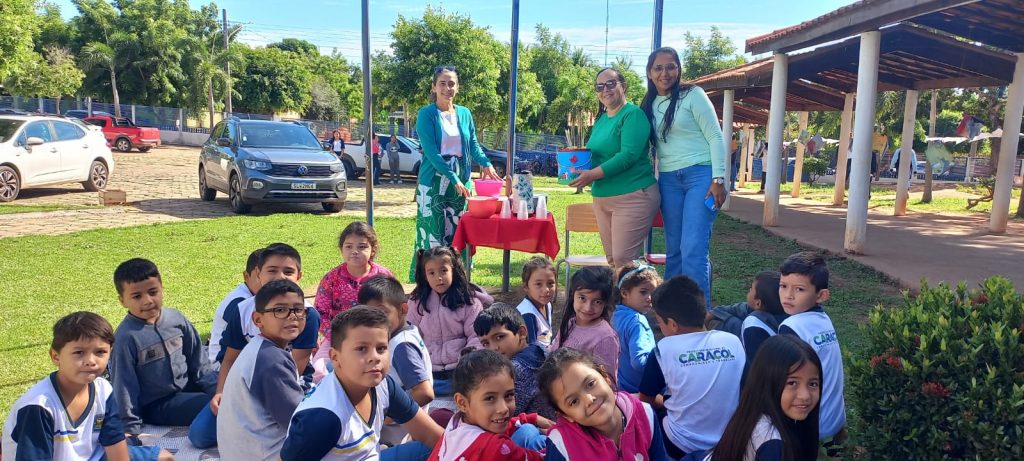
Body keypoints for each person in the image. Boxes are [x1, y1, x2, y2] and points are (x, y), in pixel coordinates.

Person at [2, 312, 171, 461]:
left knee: (164, 457)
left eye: (100, 352)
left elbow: (115, 449)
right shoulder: (39, 406)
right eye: (79, 352)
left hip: (94, 455)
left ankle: (131, 441)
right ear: (55, 356)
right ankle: (132, 441)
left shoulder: (103, 390)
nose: (91, 361)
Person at [280, 307, 443, 461]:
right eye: (362, 349)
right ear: (335, 357)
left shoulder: (383, 385)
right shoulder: (324, 418)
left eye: (381, 348)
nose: (375, 357)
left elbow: (433, 436)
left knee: (446, 444)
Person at [640, 47, 726, 309]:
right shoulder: (648, 104)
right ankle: (672, 312)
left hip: (701, 175)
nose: (665, 73)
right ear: (649, 73)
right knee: (674, 250)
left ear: (678, 69)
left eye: (671, 66)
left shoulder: (693, 95)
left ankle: (699, 316)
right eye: (658, 68)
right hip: (668, 179)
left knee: (693, 249)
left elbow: (715, 136)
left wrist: (719, 179)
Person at [108, 258, 218, 448]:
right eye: (137, 296)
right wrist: (129, 429)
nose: (148, 301)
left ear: (162, 289)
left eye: (153, 292)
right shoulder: (126, 338)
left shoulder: (176, 319)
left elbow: (198, 361)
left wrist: (217, 389)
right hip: (159, 404)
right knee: (212, 405)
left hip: (189, 387)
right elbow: (124, 386)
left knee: (234, 389)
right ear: (122, 301)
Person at [212, 244, 321, 427]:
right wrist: (221, 392)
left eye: (288, 271)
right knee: (201, 434)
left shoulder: (307, 316)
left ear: (299, 276)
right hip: (245, 384)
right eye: (272, 270)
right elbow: (230, 359)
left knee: (290, 428)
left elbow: (294, 371)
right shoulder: (242, 310)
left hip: (289, 385)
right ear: (258, 274)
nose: (280, 276)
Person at [410, 65, 501, 280]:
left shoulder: (465, 113)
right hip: (434, 181)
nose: (447, 88)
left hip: (461, 181)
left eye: (451, 83)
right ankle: (428, 285)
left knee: (459, 232)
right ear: (434, 87)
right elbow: (431, 153)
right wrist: (453, 178)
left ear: (457, 87)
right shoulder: (426, 115)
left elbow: (473, 145)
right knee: (433, 234)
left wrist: (486, 164)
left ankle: (458, 281)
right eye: (442, 83)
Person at [638, 276, 745, 459]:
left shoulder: (663, 350)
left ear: (672, 324)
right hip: (731, 440)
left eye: (659, 323)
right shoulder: (732, 341)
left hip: (679, 444)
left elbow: (645, 400)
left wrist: (665, 400)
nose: (660, 327)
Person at [570, 67, 659, 269]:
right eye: (600, 86)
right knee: (613, 261)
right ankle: (621, 300)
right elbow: (597, 154)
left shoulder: (633, 115)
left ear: (623, 86)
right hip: (602, 197)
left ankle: (640, 298)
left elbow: (628, 156)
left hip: (633, 195)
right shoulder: (602, 119)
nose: (605, 90)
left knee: (623, 260)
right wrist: (574, 166)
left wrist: (591, 174)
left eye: (611, 84)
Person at [217, 280, 309, 461]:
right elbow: (298, 422)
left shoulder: (262, 348)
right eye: (280, 310)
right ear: (258, 320)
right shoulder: (271, 360)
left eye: (298, 309)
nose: (292, 316)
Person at [701, 335, 822, 461]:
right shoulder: (773, 445)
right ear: (768, 382)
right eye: (792, 383)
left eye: (813, 384)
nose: (805, 396)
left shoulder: (755, 412)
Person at [538, 347, 669, 461]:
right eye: (574, 401)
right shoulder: (561, 445)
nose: (589, 399)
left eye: (590, 384)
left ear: (605, 376)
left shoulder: (645, 415)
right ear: (565, 415)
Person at [777, 252, 847, 445]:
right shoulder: (824, 320)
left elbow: (784, 380)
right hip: (835, 420)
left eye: (799, 289)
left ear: (821, 295)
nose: (788, 295)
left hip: (810, 425)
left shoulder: (792, 327)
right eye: (783, 286)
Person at [428, 349, 547, 461]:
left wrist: (529, 418)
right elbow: (548, 457)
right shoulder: (496, 447)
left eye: (509, 395)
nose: (503, 408)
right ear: (462, 403)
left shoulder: (455, 426)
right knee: (536, 437)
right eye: (490, 398)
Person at [357, 274, 435, 446]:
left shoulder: (402, 346)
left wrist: (390, 418)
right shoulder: (404, 332)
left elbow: (424, 393)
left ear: (403, 309)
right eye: (368, 313)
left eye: (382, 312)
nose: (374, 319)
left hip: (397, 437)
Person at [311, 222, 393, 382]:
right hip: (338, 337)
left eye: (362, 247)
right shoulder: (331, 278)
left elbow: (393, 308)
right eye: (348, 246)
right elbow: (321, 313)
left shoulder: (383, 276)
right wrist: (337, 337)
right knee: (319, 370)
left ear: (373, 250)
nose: (354, 252)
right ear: (341, 249)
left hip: (376, 336)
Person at [407, 246, 492, 394]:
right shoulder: (417, 301)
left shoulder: (469, 301)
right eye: (431, 273)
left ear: (454, 270)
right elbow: (410, 334)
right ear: (425, 275)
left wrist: (467, 360)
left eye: (443, 271)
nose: (438, 277)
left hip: (460, 372)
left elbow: (476, 336)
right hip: (426, 371)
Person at [473, 303, 556, 421]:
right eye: (486, 343)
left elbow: (501, 415)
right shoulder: (539, 350)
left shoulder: (514, 371)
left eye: (499, 337)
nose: (493, 348)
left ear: (522, 333)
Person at [552, 266, 619, 383]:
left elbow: (608, 383)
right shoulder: (570, 322)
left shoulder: (605, 338)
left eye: (597, 302)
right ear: (573, 295)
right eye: (582, 298)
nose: (588, 307)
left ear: (605, 303)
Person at [209, 248, 263, 369]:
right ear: (246, 276)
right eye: (259, 276)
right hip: (221, 366)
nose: (266, 281)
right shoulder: (240, 304)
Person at [612, 262, 661, 394]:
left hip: (619, 388)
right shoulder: (637, 322)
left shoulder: (614, 314)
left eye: (653, 293)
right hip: (641, 392)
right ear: (624, 293)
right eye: (643, 292)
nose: (649, 298)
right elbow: (640, 362)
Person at [739, 271, 787, 376]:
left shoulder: (753, 324)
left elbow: (755, 368)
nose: (749, 290)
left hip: (767, 383)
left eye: (751, 289)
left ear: (758, 303)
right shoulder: (793, 314)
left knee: (727, 322)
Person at [515, 256, 557, 347]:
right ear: (526, 286)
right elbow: (531, 351)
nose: (546, 289)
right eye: (538, 284)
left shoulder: (547, 305)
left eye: (550, 283)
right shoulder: (527, 315)